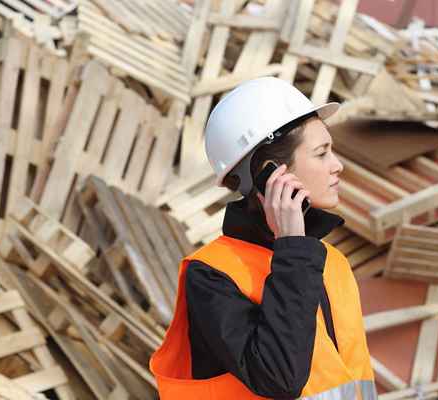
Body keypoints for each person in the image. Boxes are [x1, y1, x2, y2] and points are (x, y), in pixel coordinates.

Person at [149, 77, 376, 399]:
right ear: (271, 174)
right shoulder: (213, 276)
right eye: (321, 153)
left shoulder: (329, 262)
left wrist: (295, 249)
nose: (337, 166)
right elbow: (280, 379)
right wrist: (292, 247)